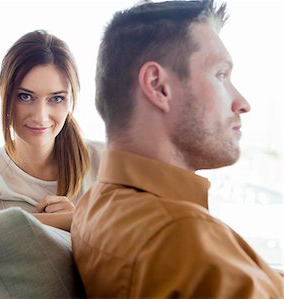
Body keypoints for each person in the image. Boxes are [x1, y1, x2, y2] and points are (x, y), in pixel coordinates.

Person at [71, 0, 284, 298]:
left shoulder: (96, 203)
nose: (242, 103)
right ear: (159, 87)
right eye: (221, 75)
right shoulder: (183, 238)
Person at [0, 30, 102, 253]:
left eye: (56, 98)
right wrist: (72, 219)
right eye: (25, 96)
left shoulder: (106, 159)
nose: (40, 116)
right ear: (5, 94)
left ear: (71, 101)